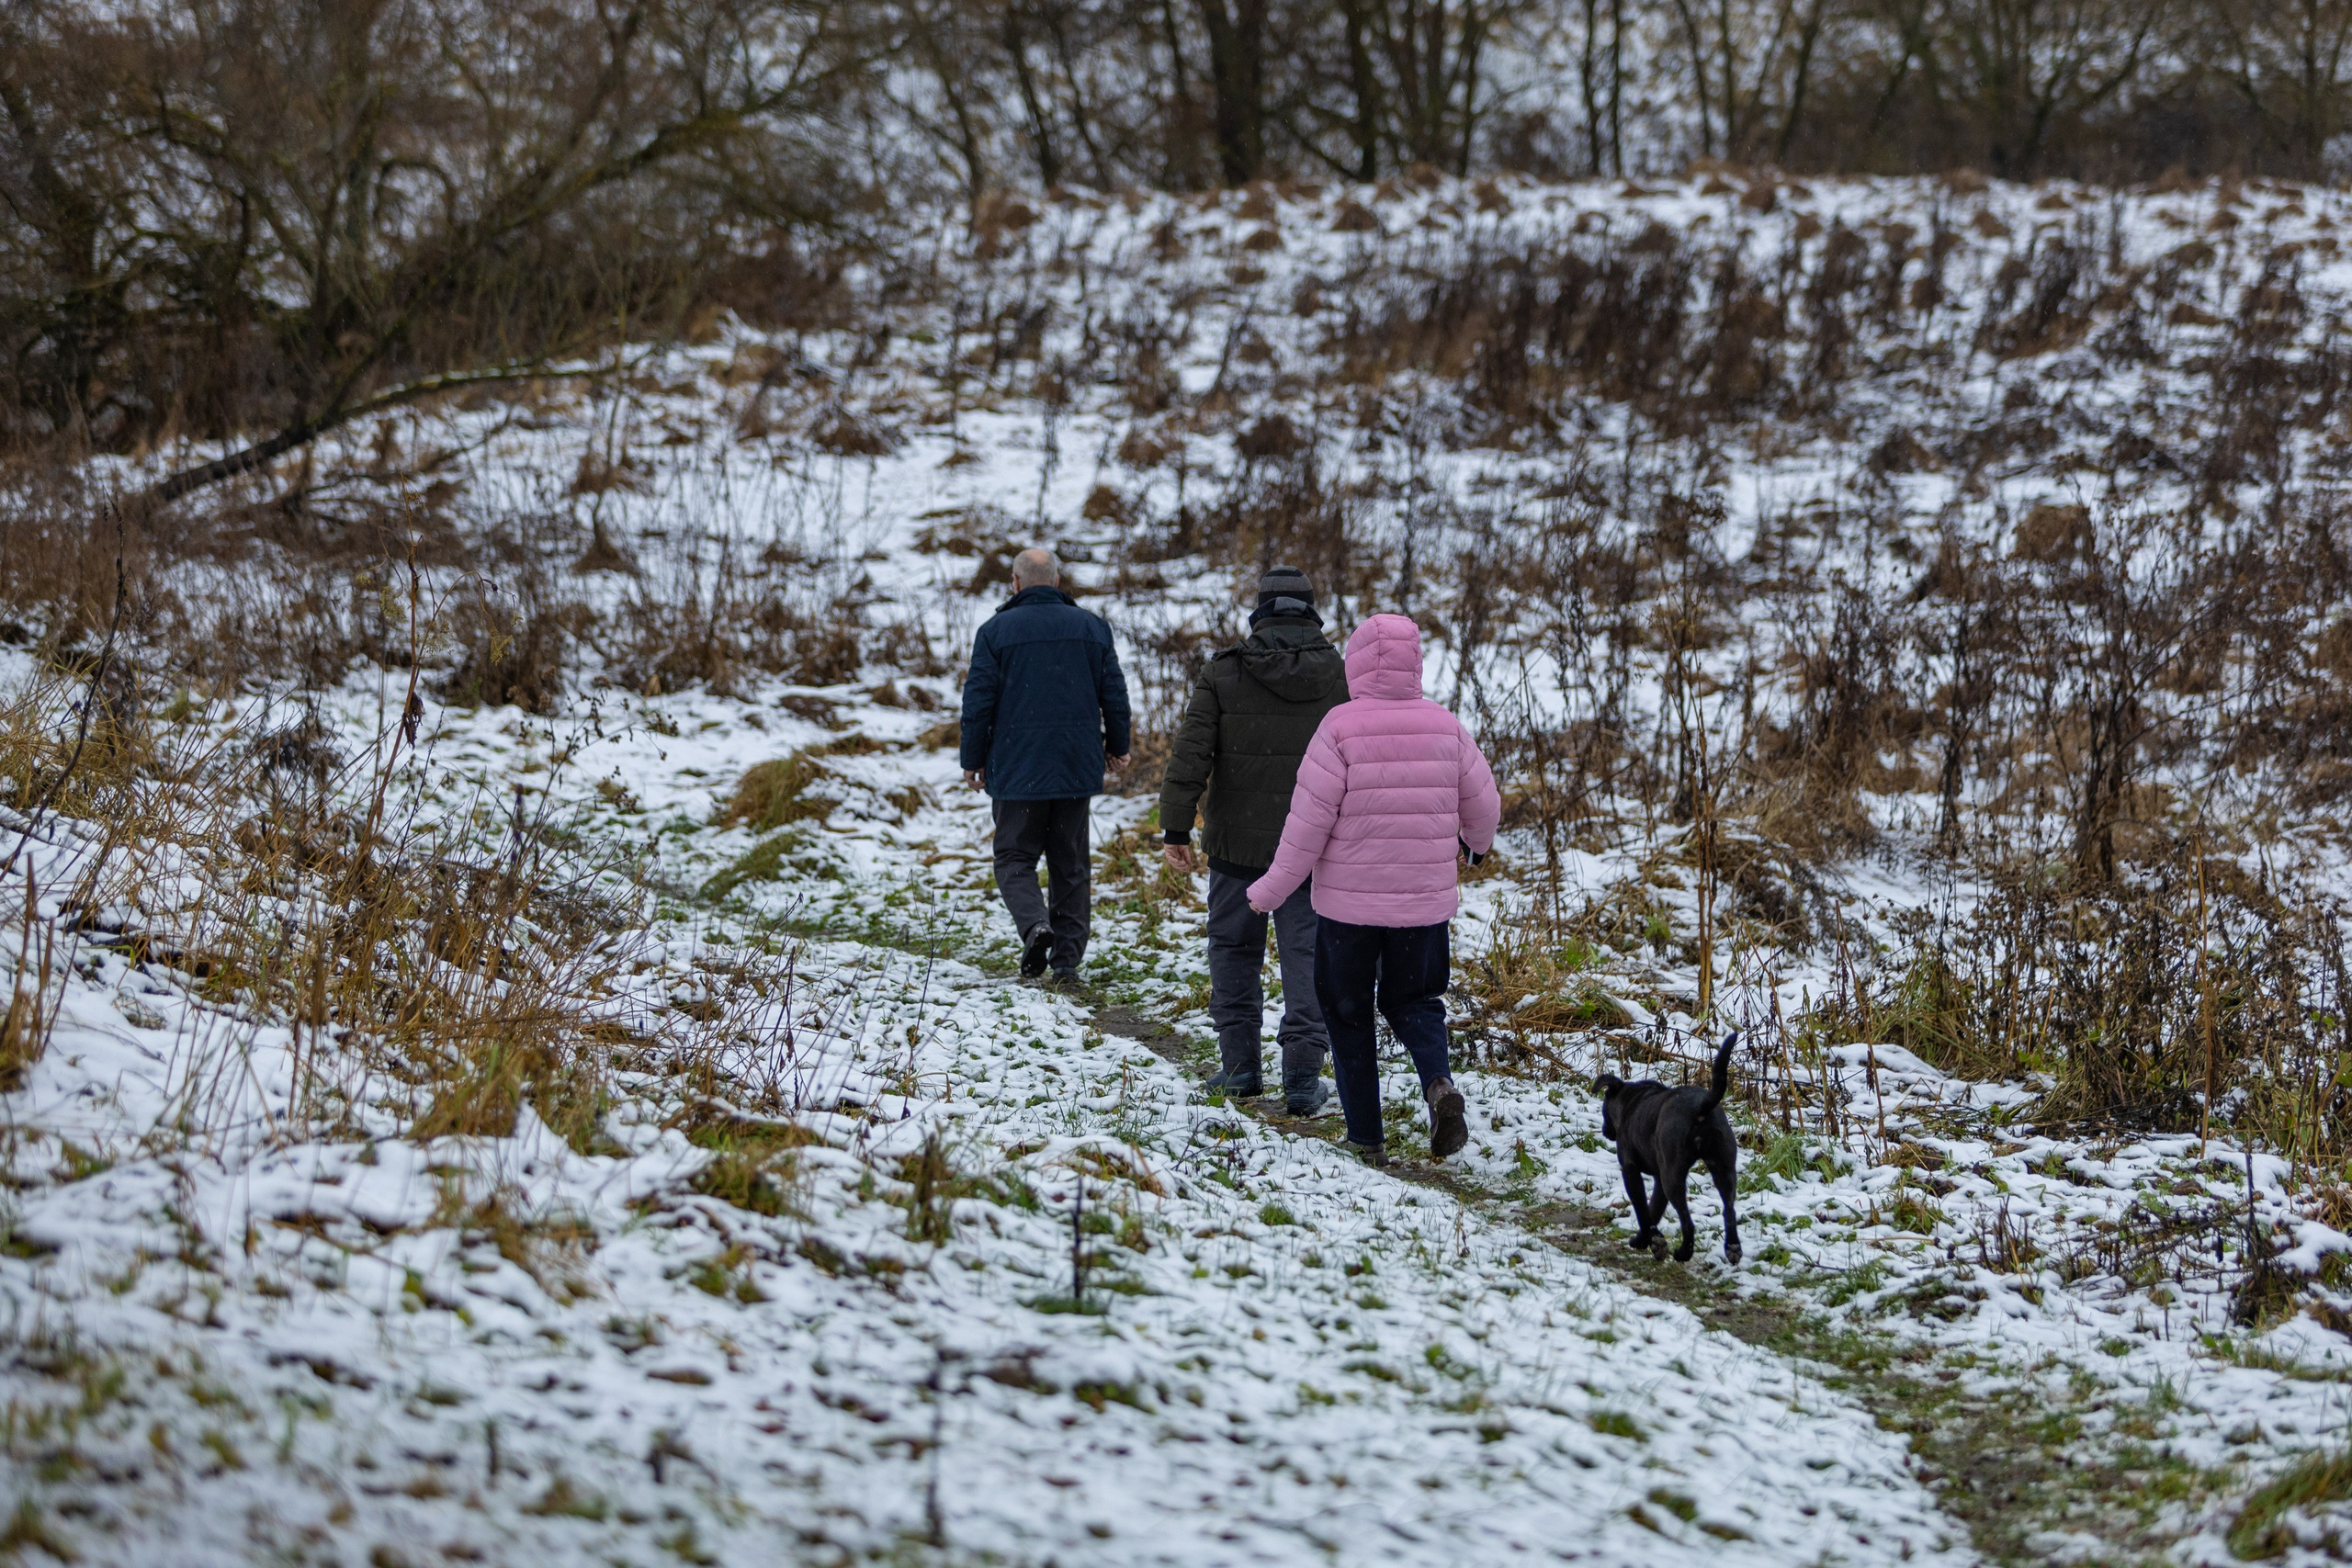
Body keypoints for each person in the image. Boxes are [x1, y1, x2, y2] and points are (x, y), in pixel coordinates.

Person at [1246, 614, 1500, 1166]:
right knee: (1416, 1000)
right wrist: (1474, 846)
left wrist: (1270, 890)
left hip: (1348, 912)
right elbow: (1485, 805)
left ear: (1354, 664)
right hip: (1423, 906)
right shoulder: (1446, 726)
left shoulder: (1338, 727)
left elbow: (1306, 826)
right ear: (1416, 664)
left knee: (1348, 1012)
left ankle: (1366, 1137)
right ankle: (1438, 1084)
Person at [1160, 567, 1349, 1115]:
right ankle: (1301, 1081)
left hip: (1237, 849)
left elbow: (1190, 755)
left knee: (1234, 951)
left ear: (1261, 610)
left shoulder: (1224, 674)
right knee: (1307, 958)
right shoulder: (1341, 674)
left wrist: (1177, 826)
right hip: (1314, 850)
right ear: (1310, 610)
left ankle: (1240, 1069)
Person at [960, 547, 1131, 987]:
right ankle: (1066, 963)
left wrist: (972, 760)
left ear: (1015, 583)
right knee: (1070, 864)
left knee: (1015, 857)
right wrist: (1119, 745)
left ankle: (1035, 925)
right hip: (1075, 765)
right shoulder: (1092, 628)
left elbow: (978, 702)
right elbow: (1113, 692)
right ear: (1056, 582)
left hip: (1017, 768)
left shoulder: (995, 631)